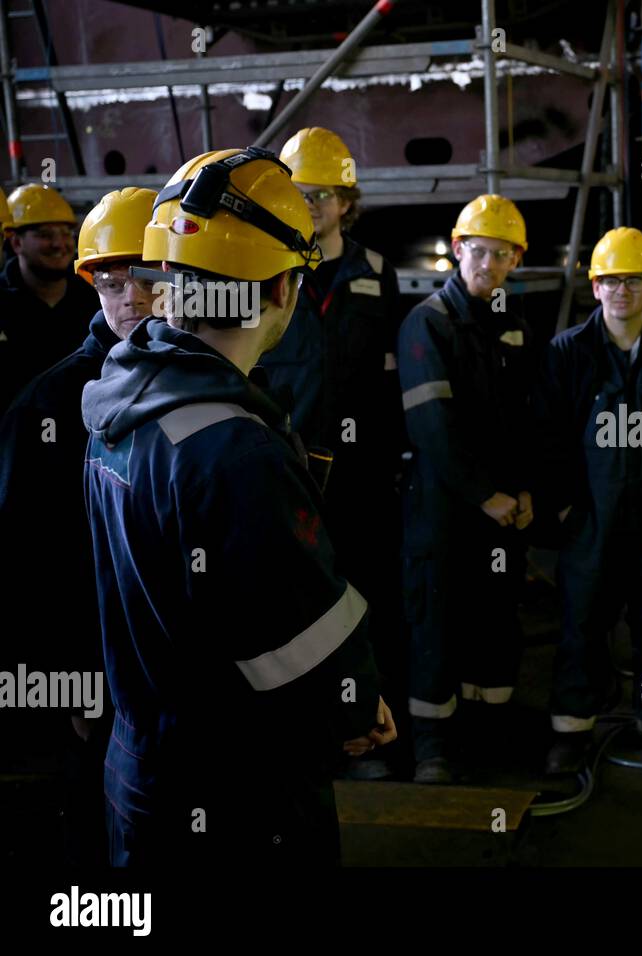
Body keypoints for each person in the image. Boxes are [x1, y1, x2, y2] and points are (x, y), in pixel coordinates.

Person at [81, 147, 394, 866]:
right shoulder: (231, 446)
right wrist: (356, 701)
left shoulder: (119, 402)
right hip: (236, 792)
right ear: (283, 290)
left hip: (142, 770)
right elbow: (298, 643)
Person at [0, 187, 160, 865]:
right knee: (98, 834)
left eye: (150, 281)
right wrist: (70, 679)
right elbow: (29, 560)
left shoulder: (208, 385)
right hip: (97, 673)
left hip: (179, 674)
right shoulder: (54, 403)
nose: (134, 302)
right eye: (114, 283)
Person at [265, 126, 407, 779]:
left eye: (326, 193)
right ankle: (313, 736)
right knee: (298, 601)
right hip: (289, 473)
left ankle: (369, 733)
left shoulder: (377, 273)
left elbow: (392, 378)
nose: (314, 203)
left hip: (365, 474)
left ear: (348, 202)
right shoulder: (270, 272)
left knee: (369, 597)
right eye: (301, 192)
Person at [534, 227, 642, 773]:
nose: (621, 291)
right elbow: (550, 438)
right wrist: (563, 508)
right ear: (595, 288)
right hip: (592, 515)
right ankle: (571, 730)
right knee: (582, 620)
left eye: (634, 280)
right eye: (611, 281)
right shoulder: (569, 351)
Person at [398, 194, 538, 784]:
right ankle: (433, 747)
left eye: (502, 255)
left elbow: (532, 416)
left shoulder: (512, 324)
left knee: (495, 621)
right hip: (445, 512)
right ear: (458, 251)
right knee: (439, 624)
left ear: (514, 261)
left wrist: (527, 488)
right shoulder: (426, 323)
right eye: (479, 251)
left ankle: (490, 737)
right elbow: (434, 428)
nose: (490, 264)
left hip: (502, 512)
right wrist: (488, 494)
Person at [0, 183, 101, 411]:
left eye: (66, 234)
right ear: (16, 242)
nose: (59, 244)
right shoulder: (3, 303)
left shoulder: (92, 299)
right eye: (45, 235)